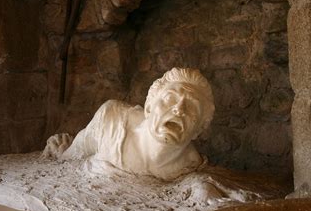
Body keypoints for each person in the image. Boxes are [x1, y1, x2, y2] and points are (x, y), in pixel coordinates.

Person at [43, 67, 215, 181]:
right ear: (149, 107)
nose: (179, 109)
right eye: (170, 99)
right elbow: (75, 155)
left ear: (198, 130)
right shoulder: (112, 119)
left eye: (192, 107)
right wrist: (63, 152)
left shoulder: (190, 166)